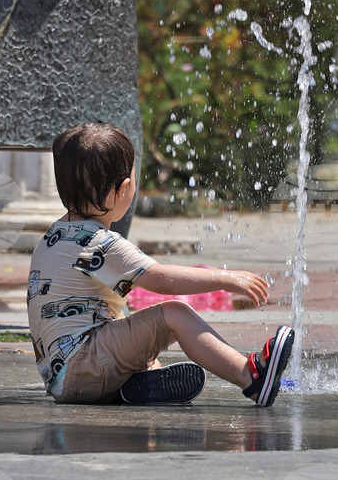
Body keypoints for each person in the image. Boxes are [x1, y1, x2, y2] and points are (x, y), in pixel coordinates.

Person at [27, 122, 295, 407]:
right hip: (86, 365)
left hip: (62, 379)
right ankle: (251, 378)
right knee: (174, 314)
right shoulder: (100, 242)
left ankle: (134, 382)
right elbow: (160, 279)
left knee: (133, 325)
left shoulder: (54, 236)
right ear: (125, 189)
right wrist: (227, 278)